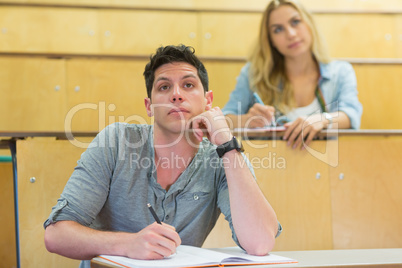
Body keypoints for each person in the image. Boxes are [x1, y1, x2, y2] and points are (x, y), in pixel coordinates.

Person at [44, 45, 281, 268]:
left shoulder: (224, 155)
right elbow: (56, 235)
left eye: (188, 85)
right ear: (149, 106)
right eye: (164, 87)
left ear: (208, 101)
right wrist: (128, 244)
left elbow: (259, 244)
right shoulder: (115, 141)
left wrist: (228, 146)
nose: (176, 95)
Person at [223, 0, 362, 149]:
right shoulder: (253, 74)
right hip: (271, 164)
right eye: (278, 30)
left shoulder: (340, 72)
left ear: (309, 24)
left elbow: (351, 115)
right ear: (271, 41)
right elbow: (224, 120)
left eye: (295, 22)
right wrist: (247, 120)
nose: (291, 34)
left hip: (328, 168)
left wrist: (322, 120)